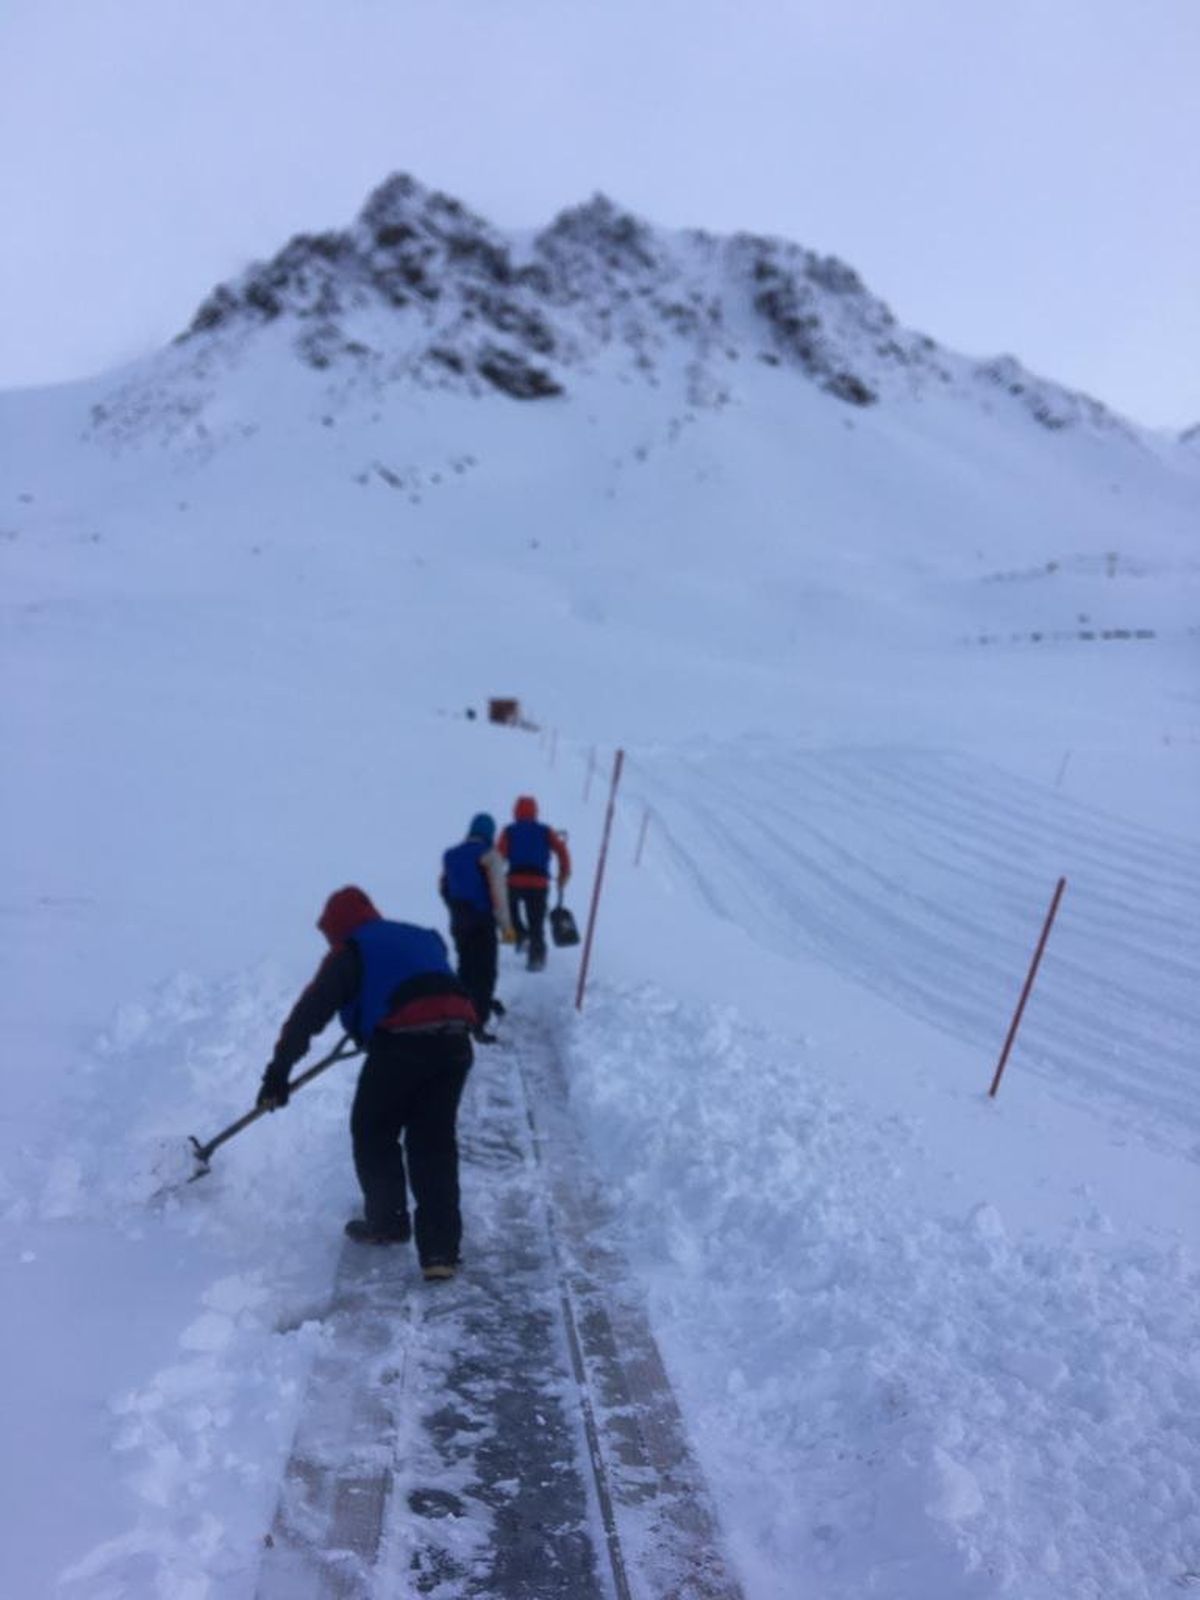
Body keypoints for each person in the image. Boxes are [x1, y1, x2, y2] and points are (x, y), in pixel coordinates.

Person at [256, 886, 476, 1281]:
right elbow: (428, 982)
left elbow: (311, 1011)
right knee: (433, 1142)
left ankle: (388, 1222)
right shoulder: (422, 936)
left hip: (402, 1045)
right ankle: (440, 1251)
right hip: (456, 1040)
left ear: (340, 927)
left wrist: (279, 1071)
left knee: (373, 1130)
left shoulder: (352, 950)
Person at [439, 812, 516, 1045]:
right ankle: (477, 1024)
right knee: (485, 973)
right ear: (490, 834)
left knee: (466, 969)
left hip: (459, 921)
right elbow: (499, 893)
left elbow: (444, 887)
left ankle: (460, 1013)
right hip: (482, 921)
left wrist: (456, 909)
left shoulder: (451, 855)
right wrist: (506, 927)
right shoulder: (490, 855)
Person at [497, 795, 571, 971]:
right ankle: (536, 958)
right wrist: (564, 873)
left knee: (509, 912)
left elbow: (498, 856)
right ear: (535, 812)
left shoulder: (509, 831)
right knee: (536, 922)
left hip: (514, 881)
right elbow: (562, 850)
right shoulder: (546, 831)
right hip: (539, 884)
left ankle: (521, 936)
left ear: (515, 812)